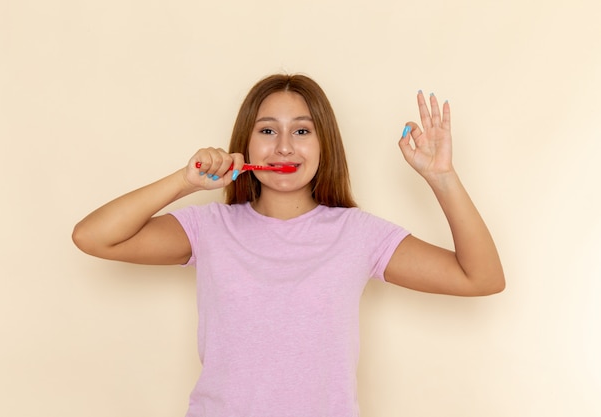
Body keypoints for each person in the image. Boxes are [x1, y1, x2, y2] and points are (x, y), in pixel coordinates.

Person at [72, 74, 505, 417]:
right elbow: (92, 236)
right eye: (267, 130)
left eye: (302, 130)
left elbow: (481, 278)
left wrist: (441, 177)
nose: (283, 146)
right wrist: (184, 181)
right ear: (245, 143)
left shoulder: (359, 235)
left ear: (324, 146)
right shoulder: (209, 228)